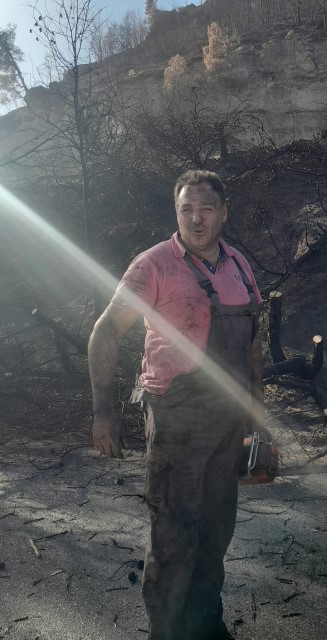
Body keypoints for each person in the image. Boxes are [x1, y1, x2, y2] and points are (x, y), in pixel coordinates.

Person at [88, 169, 264, 640]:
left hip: (229, 420)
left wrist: (258, 419)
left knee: (215, 531)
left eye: (206, 209)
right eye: (187, 209)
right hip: (176, 420)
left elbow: (251, 346)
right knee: (173, 537)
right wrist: (103, 411)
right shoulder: (154, 265)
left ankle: (205, 625)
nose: (196, 219)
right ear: (176, 213)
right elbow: (106, 331)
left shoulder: (239, 266)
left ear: (224, 213)